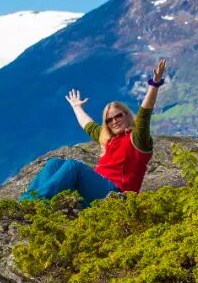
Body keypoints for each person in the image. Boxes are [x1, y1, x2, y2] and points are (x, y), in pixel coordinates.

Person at [23, 60, 167, 204]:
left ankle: (34, 202)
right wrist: (76, 107)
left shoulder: (137, 138)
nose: (114, 121)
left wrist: (154, 85)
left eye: (118, 116)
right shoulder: (108, 139)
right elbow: (89, 125)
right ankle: (25, 201)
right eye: (109, 119)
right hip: (95, 191)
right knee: (54, 163)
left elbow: (144, 114)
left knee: (73, 166)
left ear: (127, 115)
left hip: (117, 195)